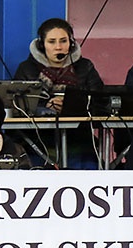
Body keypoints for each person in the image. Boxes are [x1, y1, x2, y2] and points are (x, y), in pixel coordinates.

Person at [13, 18, 103, 168]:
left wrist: (71, 106)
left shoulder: (85, 67)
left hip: (80, 140)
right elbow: (18, 106)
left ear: (71, 43)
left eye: (63, 41)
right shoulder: (26, 69)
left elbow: (99, 100)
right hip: (36, 142)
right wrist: (45, 107)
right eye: (52, 42)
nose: (58, 47)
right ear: (42, 45)